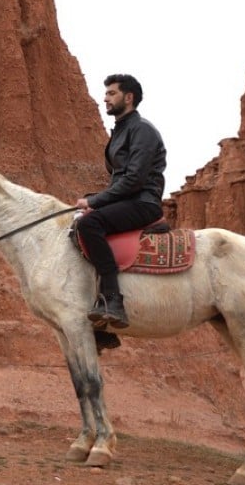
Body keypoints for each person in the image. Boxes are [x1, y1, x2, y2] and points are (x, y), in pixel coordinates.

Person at [74, 73, 167, 329]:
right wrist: (97, 199)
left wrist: (96, 202)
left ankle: (113, 300)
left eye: (111, 93)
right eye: (105, 93)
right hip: (129, 199)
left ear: (129, 97)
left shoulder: (143, 131)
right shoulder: (121, 132)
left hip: (143, 202)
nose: (105, 98)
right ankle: (99, 322)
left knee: (89, 224)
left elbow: (134, 180)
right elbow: (120, 181)